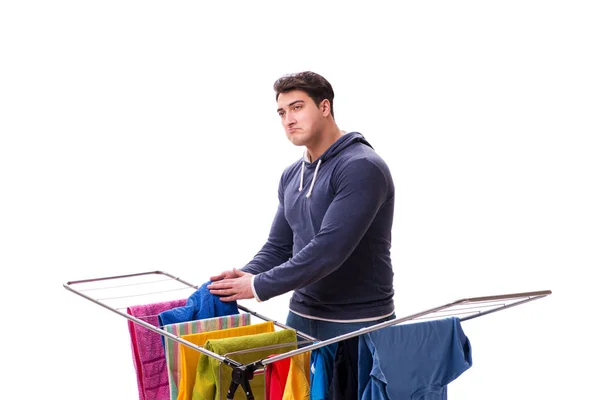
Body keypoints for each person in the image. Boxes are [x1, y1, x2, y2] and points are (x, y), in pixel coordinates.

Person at [208, 71, 395, 340]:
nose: (289, 120)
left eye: (297, 107)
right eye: (282, 113)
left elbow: (328, 251)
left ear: (324, 107)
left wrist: (258, 285)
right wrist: (246, 274)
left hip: (358, 322)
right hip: (300, 317)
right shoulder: (291, 175)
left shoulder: (361, 167)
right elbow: (279, 246)